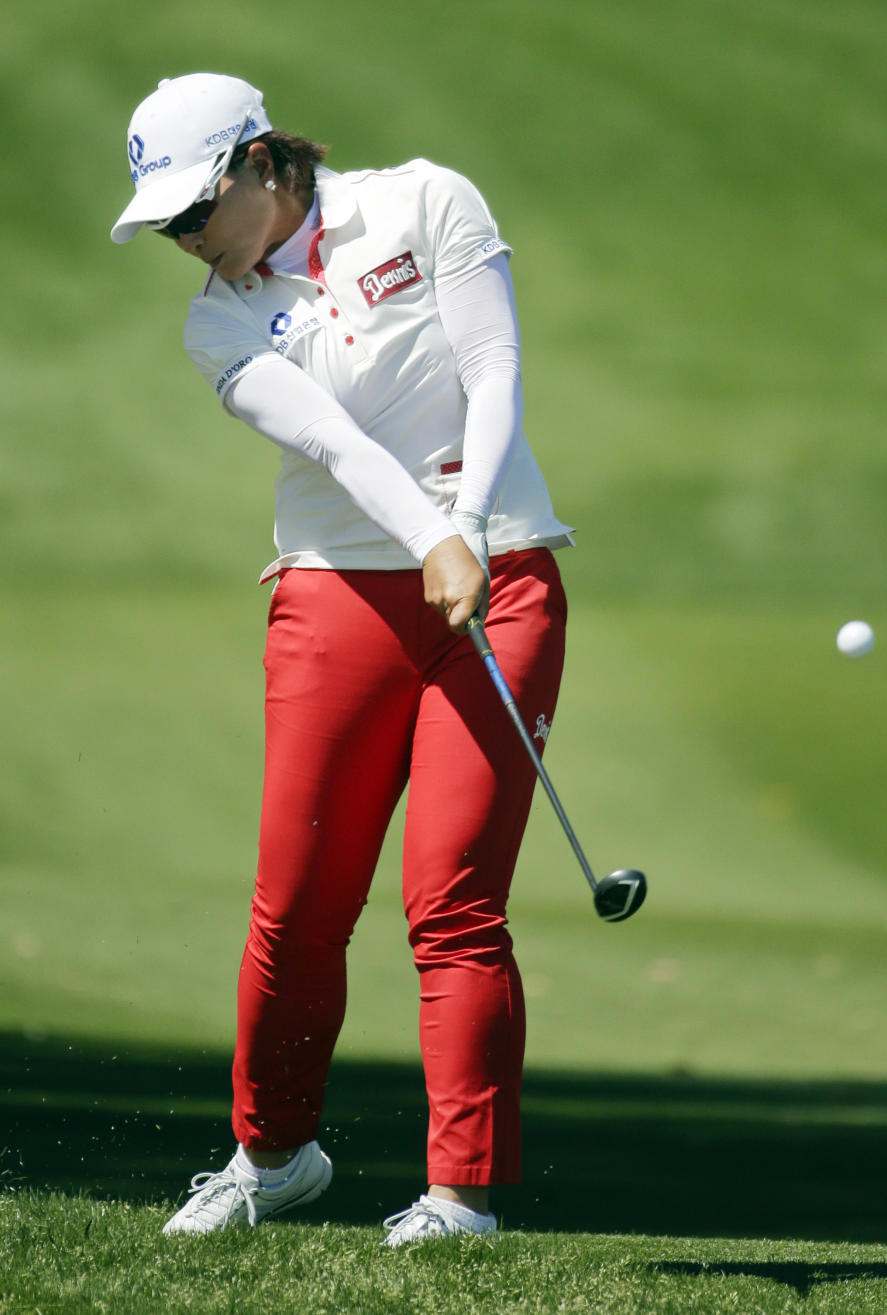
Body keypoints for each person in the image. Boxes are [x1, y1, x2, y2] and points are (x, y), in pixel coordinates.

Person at [111, 73, 573, 1246]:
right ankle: (273, 1156)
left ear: (260, 164)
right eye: (162, 225)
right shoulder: (217, 320)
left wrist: (465, 531)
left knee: (453, 901)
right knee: (301, 902)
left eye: (191, 212)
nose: (182, 240)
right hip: (336, 592)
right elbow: (333, 439)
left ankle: (461, 1196)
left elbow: (493, 369)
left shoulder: (424, 204)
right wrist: (429, 536)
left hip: (501, 576)